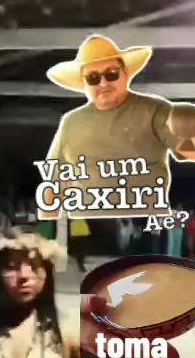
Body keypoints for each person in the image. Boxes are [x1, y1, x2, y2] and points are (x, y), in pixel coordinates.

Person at [42, 35, 195, 222]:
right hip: (84, 228)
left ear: (126, 73)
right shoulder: (70, 121)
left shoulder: (154, 109)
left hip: (145, 225)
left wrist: (189, 126)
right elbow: (55, 183)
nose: (103, 83)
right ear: (83, 83)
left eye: (112, 74)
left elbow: (190, 151)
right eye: (93, 78)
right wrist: (47, 228)